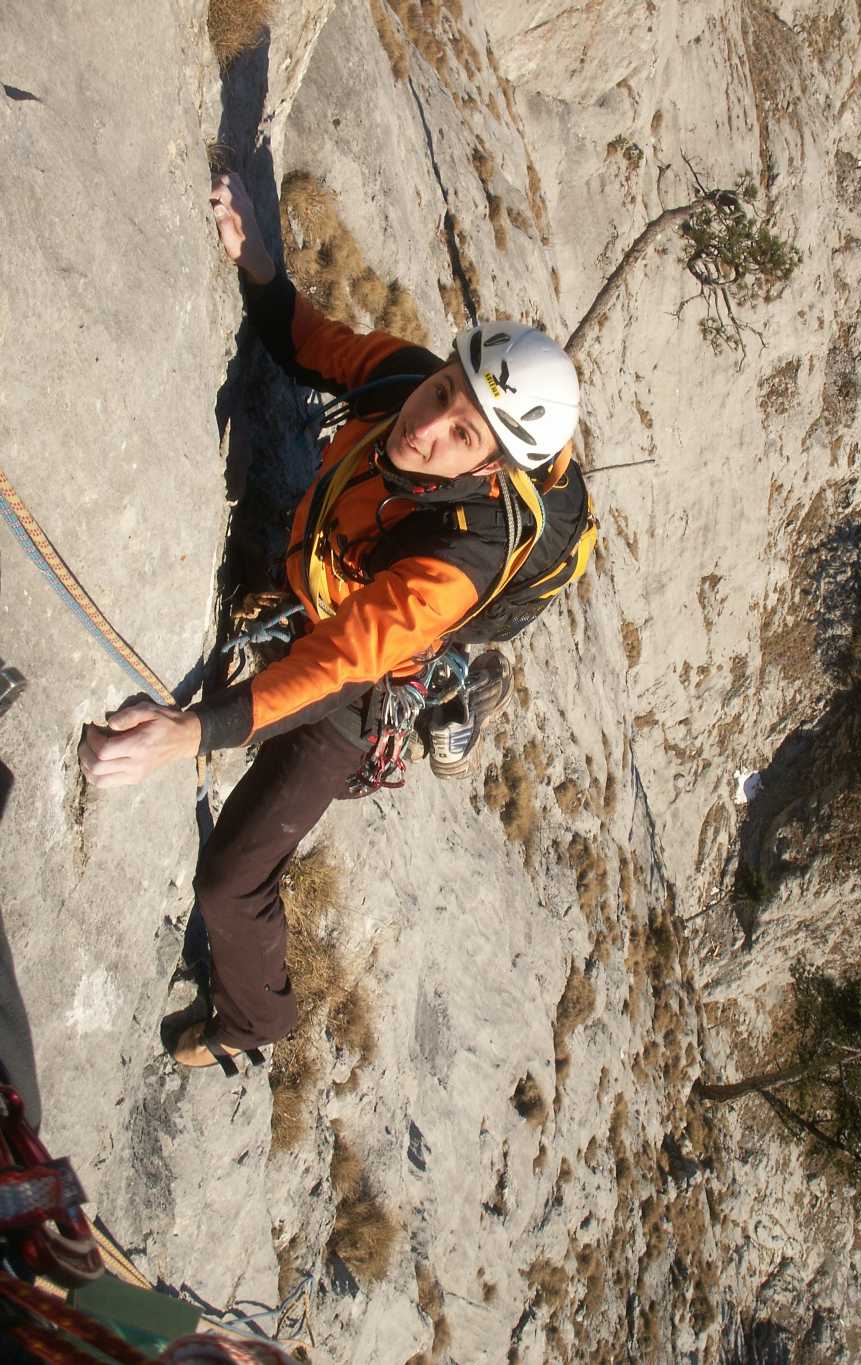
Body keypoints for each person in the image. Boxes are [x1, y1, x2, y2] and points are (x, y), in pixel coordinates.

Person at [78, 172, 590, 1070]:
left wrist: (195, 732)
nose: (427, 426)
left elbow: (346, 660)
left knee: (231, 882)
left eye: (463, 434)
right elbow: (314, 344)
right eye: (442, 394)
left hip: (364, 683)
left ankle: (252, 1022)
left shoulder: (458, 554)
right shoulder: (408, 378)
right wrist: (261, 265)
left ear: (492, 472)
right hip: (327, 594)